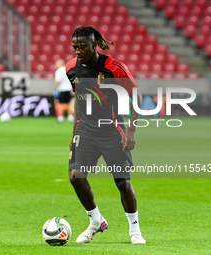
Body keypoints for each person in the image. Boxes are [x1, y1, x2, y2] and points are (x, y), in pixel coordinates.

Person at [66, 26, 146, 244]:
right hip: (85, 130)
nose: (78, 51)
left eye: (82, 46)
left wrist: (131, 130)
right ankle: (95, 220)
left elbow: (137, 96)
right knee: (76, 176)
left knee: (122, 182)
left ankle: (134, 229)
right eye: (75, 47)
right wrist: (74, 134)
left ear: (94, 44)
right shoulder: (71, 69)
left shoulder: (113, 67)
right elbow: (79, 101)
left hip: (112, 129)